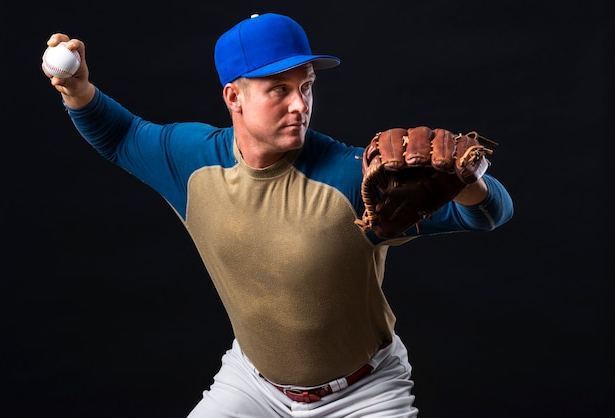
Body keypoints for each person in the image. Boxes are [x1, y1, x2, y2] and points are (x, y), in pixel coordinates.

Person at [42, 12, 513, 418]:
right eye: (278, 89)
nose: (299, 104)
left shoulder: (350, 177)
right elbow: (121, 136)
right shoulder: (191, 162)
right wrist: (78, 88)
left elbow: (488, 215)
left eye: (306, 86)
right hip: (253, 386)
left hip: (364, 393)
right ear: (234, 98)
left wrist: (468, 180)